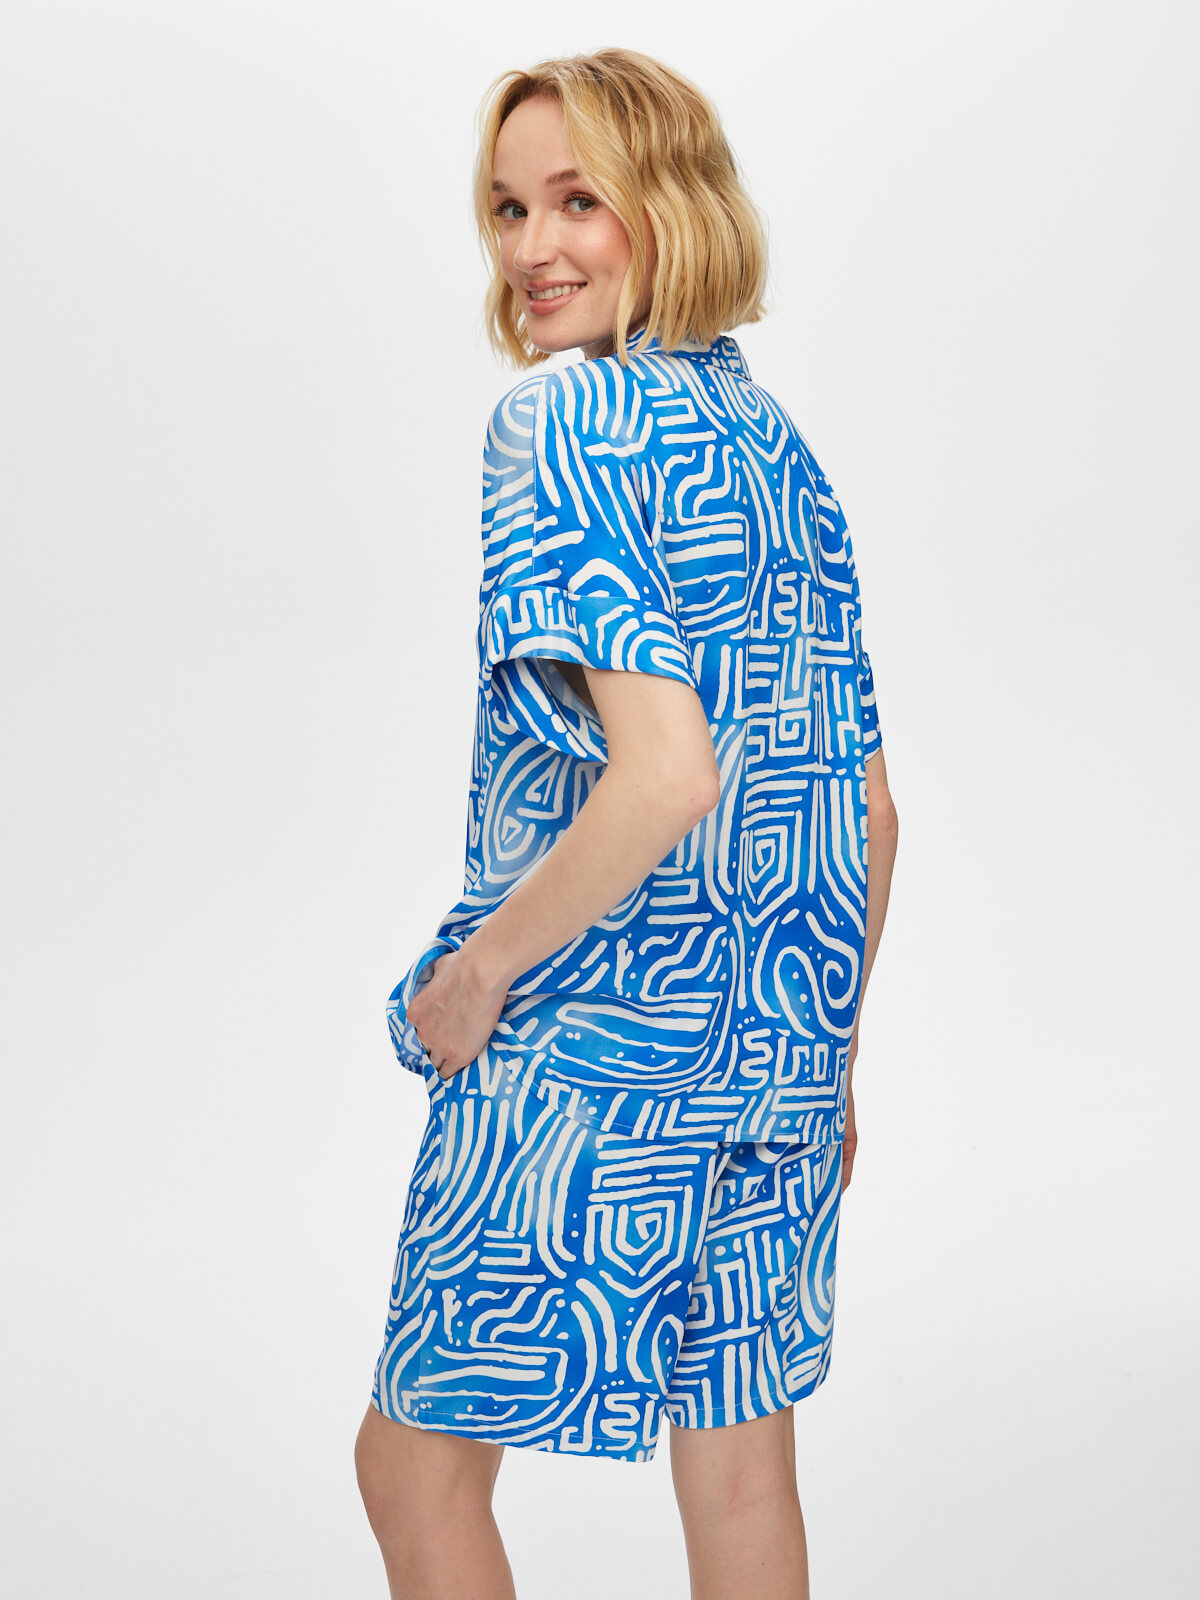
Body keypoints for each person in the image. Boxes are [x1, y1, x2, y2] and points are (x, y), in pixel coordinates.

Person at [355, 46, 899, 1600]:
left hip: (589, 1050)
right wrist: (834, 1060)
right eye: (508, 208)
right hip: (780, 1057)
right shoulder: (776, 448)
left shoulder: (562, 424)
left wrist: (478, 976)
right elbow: (870, 813)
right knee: (741, 1482)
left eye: (578, 200)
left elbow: (664, 774)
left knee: (413, 1471)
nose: (532, 248)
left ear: (670, 207)